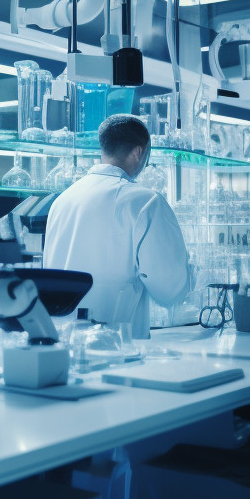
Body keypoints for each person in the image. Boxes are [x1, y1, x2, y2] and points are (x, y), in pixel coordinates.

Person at [41, 114, 193, 338]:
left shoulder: (62, 200)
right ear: (139, 153)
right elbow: (171, 291)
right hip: (117, 344)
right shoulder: (145, 201)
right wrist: (191, 270)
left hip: (62, 341)